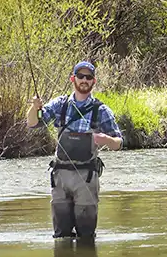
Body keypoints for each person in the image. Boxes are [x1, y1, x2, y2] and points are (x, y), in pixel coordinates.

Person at [32, 61, 123, 239]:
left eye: (88, 77)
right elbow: (33, 123)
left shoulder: (101, 110)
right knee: (61, 235)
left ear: (93, 81)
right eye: (80, 76)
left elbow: (119, 142)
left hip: (87, 178)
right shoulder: (60, 104)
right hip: (60, 177)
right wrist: (34, 108)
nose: (84, 80)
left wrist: (106, 140)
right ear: (73, 79)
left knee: (86, 235)